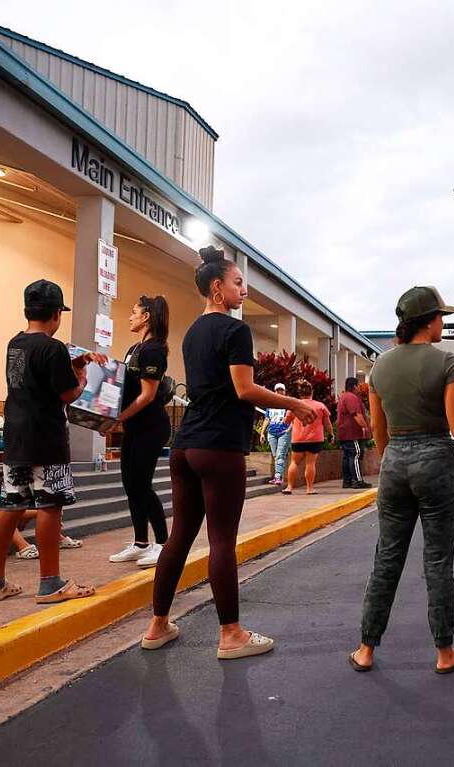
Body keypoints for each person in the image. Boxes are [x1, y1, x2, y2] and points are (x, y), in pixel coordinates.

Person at [142, 246, 315, 659]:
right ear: (216, 288)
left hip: (185, 446)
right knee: (222, 540)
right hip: (219, 446)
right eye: (238, 283)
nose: (244, 289)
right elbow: (243, 389)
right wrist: (294, 404)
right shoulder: (235, 332)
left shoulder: (192, 334)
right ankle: (231, 634)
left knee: (179, 536)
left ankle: (157, 625)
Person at [350, 286, 454, 674]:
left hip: (395, 459)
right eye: (441, 317)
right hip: (436, 458)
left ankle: (366, 648)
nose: (443, 324)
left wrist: (392, 467)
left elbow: (379, 434)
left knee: (386, 557)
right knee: (437, 560)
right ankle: (445, 652)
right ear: (430, 321)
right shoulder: (447, 362)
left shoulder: (379, 367)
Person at [0, 280, 102, 604]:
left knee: (10, 504)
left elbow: (31, 379)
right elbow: (67, 393)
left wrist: (71, 366)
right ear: (57, 313)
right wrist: (82, 379)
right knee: (50, 505)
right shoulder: (53, 347)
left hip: (16, 436)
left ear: (27, 310)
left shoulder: (15, 344)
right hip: (46, 438)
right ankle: (50, 583)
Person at [106, 295, 172, 569]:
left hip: (151, 427)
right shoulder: (134, 348)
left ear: (146, 317)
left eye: (134, 312)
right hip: (134, 426)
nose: (130, 317)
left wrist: (117, 419)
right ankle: (141, 542)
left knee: (141, 485)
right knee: (130, 485)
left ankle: (165, 545)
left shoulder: (154, 350)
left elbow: (147, 396)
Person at [282, 380, 333, 495]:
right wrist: (331, 434)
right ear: (312, 392)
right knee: (310, 464)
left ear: (299, 393)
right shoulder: (320, 406)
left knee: (294, 462)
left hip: (298, 439)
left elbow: (286, 421)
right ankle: (309, 489)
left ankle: (289, 487)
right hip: (315, 439)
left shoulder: (294, 406)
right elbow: (328, 424)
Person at [337, 376, 371, 489]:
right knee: (355, 455)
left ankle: (347, 481)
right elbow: (356, 414)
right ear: (355, 386)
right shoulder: (351, 398)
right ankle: (357, 480)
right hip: (352, 433)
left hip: (344, 433)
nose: (359, 389)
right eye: (358, 386)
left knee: (347, 457)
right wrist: (365, 427)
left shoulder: (344, 397)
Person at [264, 383, 293, 485]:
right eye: (277, 390)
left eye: (281, 390)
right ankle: (278, 475)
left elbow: (292, 419)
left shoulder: (287, 404)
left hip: (283, 433)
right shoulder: (270, 404)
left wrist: (288, 430)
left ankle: (277, 477)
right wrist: (263, 432)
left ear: (285, 392)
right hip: (271, 432)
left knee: (280, 455)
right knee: (276, 455)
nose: (279, 392)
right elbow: (267, 419)